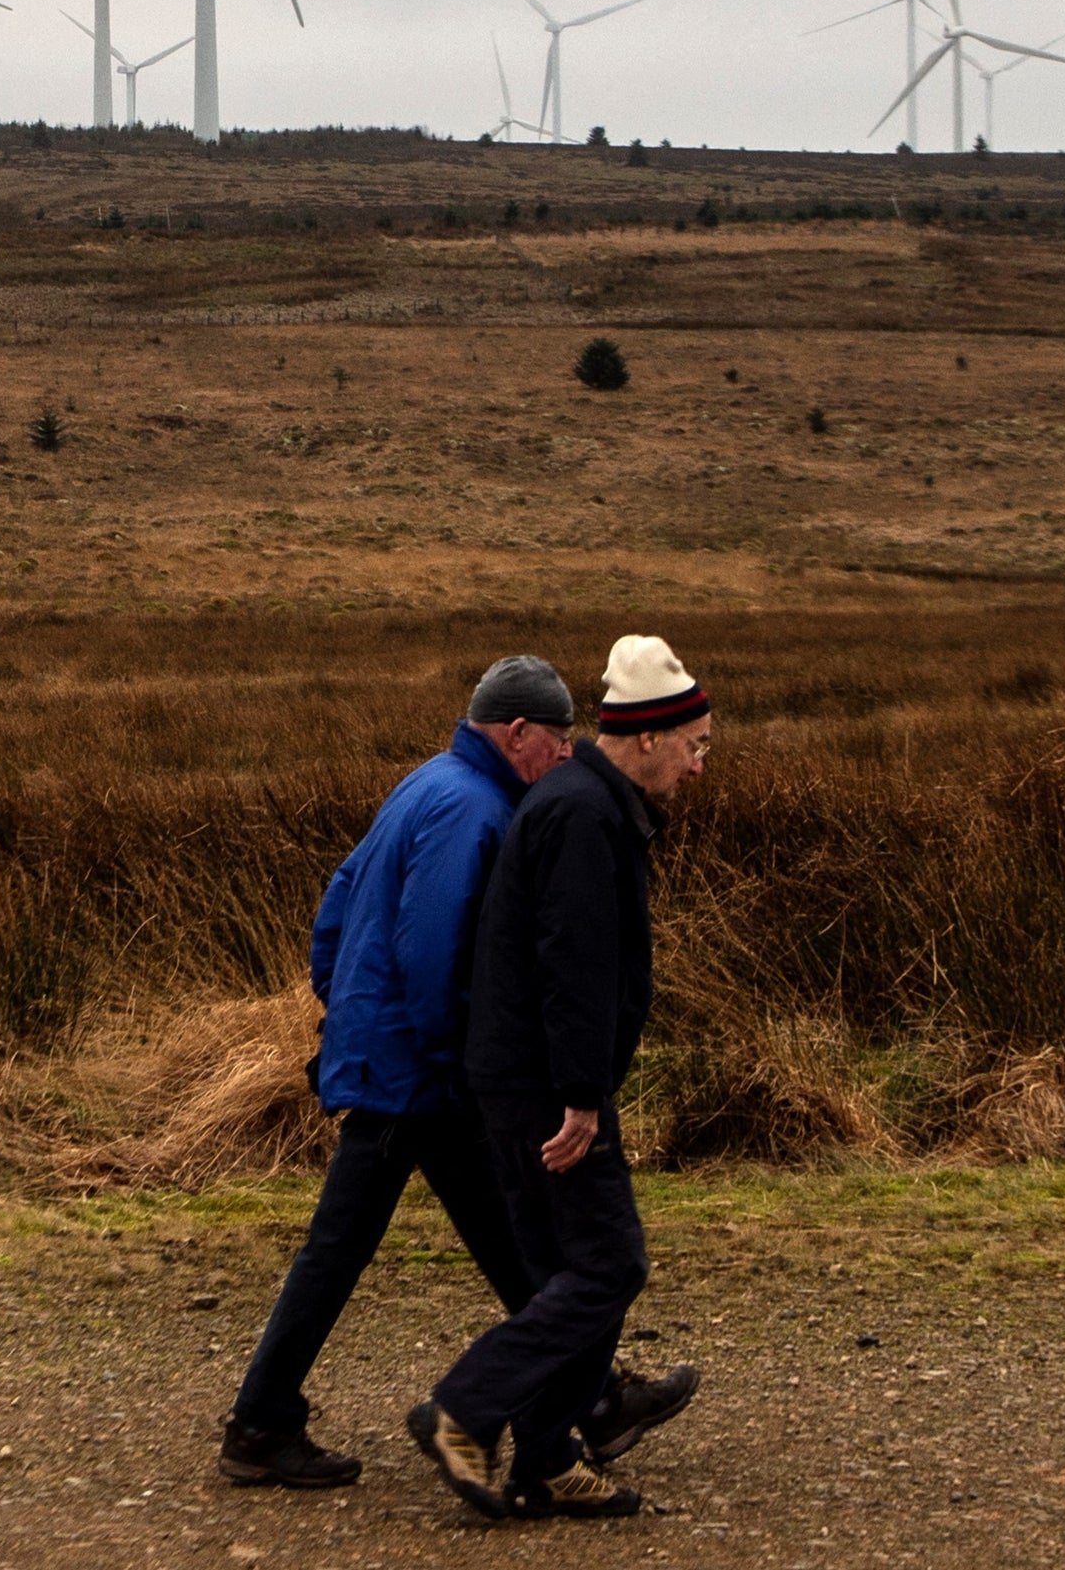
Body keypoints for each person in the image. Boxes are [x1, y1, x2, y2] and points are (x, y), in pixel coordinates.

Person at [217, 655, 695, 1490]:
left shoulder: (425, 782)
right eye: (555, 740)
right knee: (350, 1249)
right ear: (517, 732)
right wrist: (458, 1062)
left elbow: (337, 900)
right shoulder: (473, 808)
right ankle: (262, 1421)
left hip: (392, 1054)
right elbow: (436, 953)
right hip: (420, 1071)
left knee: (505, 1242)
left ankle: (591, 1399)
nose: (563, 754)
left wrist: (345, 1004)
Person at [407, 634, 716, 1522]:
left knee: (562, 1273)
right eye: (694, 745)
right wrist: (583, 1096)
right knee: (608, 1263)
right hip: (548, 1087)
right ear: (649, 737)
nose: (698, 766)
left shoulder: (580, 802)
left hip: (520, 1078)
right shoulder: (583, 814)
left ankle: (543, 1459)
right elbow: (572, 968)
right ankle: (464, 1408)